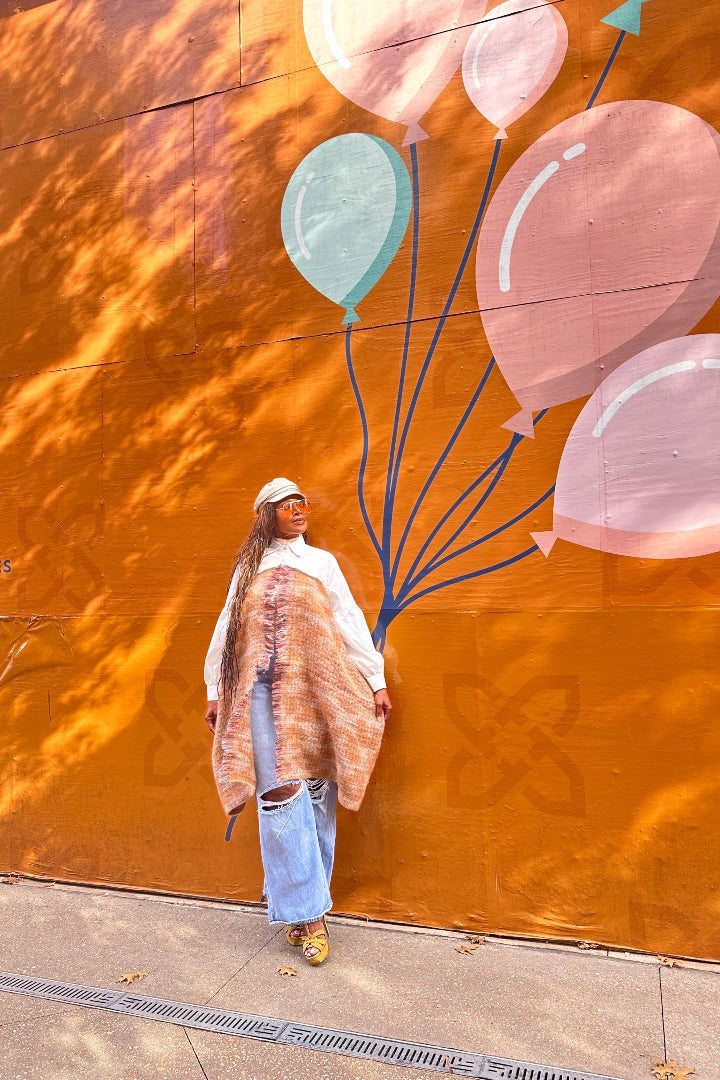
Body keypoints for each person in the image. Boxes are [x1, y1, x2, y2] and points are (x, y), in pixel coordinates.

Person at [204, 478, 391, 966]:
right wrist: (214, 691)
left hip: (316, 693)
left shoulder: (320, 565)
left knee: (316, 796)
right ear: (267, 516)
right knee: (281, 799)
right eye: (286, 506)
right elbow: (227, 626)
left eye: (301, 503)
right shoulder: (249, 567)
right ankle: (310, 914)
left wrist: (375, 679)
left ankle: (302, 911)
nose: (298, 511)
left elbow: (348, 619)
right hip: (261, 698)